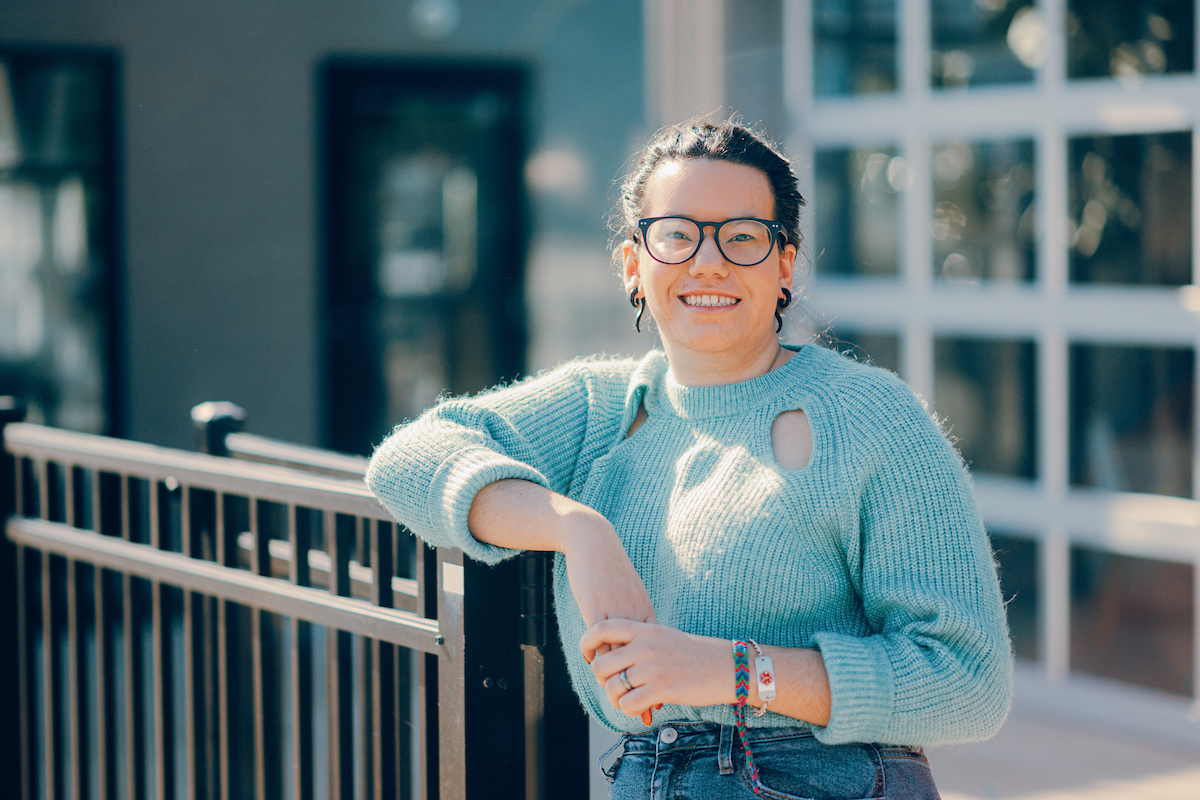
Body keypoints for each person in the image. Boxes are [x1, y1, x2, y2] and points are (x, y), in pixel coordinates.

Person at [366, 119, 1012, 799]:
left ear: (784, 265)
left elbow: (966, 683)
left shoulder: (870, 416)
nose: (709, 262)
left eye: (742, 237)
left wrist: (733, 672)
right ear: (632, 265)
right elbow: (406, 460)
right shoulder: (602, 406)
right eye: (677, 235)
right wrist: (575, 528)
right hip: (649, 775)